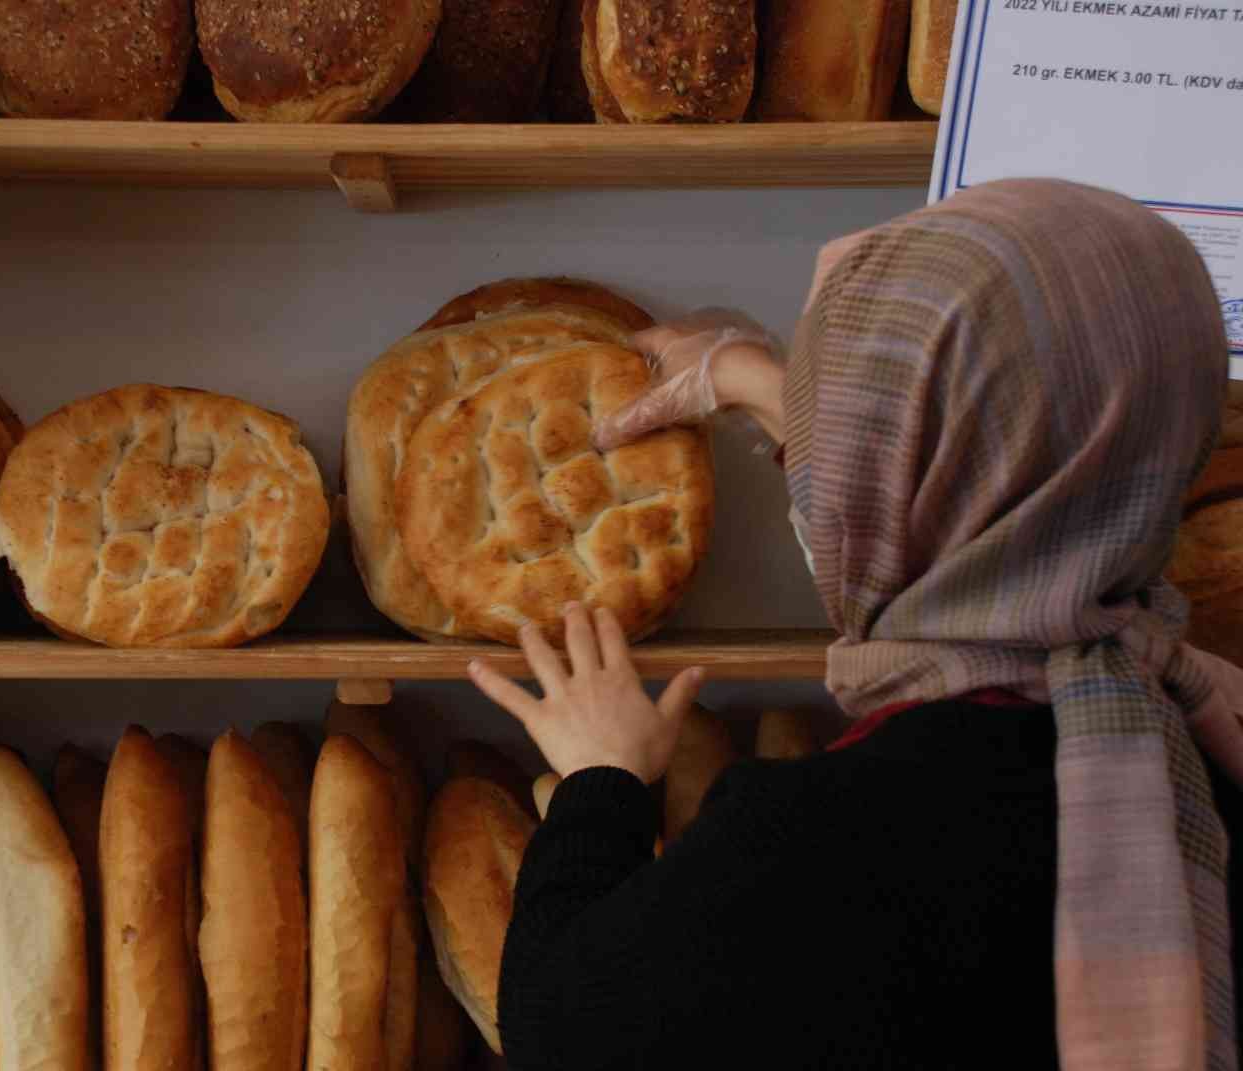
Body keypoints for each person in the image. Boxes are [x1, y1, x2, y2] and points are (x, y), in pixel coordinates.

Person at [466, 179, 1243, 1071]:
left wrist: (603, 780)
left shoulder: (823, 854)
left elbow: (563, 1027)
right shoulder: (1201, 745)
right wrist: (752, 381)